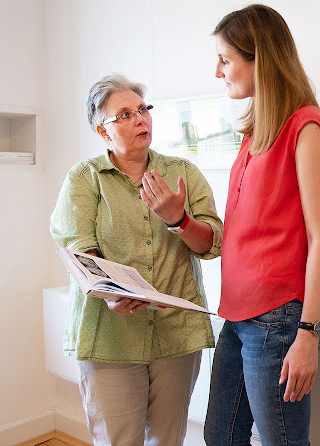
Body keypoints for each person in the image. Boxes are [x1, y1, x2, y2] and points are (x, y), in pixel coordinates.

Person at [51, 73, 223, 445]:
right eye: (125, 114)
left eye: (143, 110)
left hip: (176, 333)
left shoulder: (183, 174)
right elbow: (79, 247)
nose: (140, 119)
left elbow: (213, 243)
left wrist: (179, 219)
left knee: (167, 440)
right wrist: (110, 292)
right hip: (109, 337)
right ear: (102, 131)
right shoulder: (85, 178)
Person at [204, 4, 320, 446]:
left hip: (279, 319)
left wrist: (308, 332)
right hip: (238, 314)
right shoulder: (253, 133)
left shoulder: (306, 129)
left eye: (226, 59)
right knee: (220, 438)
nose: (218, 70)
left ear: (259, 57)